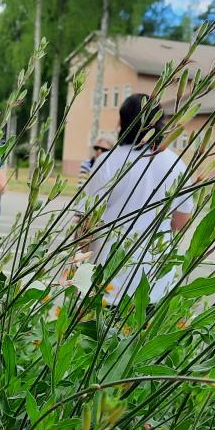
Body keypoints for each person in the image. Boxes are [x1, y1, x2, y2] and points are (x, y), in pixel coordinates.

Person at [81, 94, 193, 305]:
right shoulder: (176, 163)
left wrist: (77, 264)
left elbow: (87, 221)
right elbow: (181, 223)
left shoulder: (106, 161)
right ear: (159, 122)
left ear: (122, 122)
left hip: (106, 273)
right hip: (154, 276)